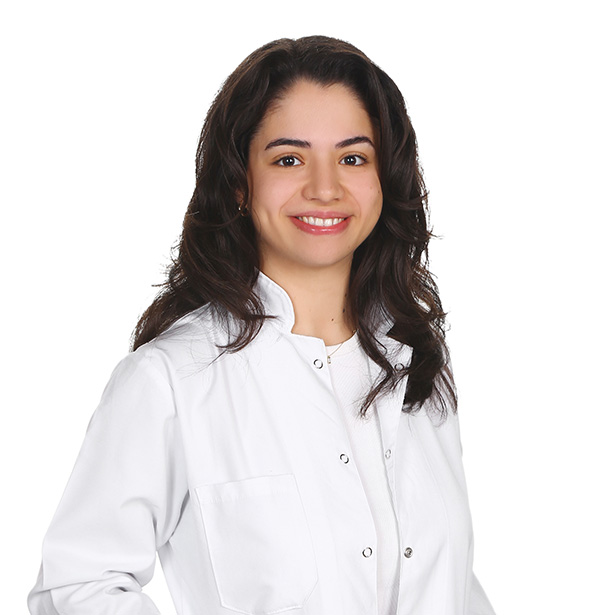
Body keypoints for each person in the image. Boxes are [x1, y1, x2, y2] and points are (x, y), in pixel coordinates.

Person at [28, 35, 496, 615]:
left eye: (353, 158)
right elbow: (77, 586)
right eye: (288, 159)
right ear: (238, 182)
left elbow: (452, 583)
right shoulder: (171, 379)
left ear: (386, 179)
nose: (325, 188)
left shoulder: (418, 363)